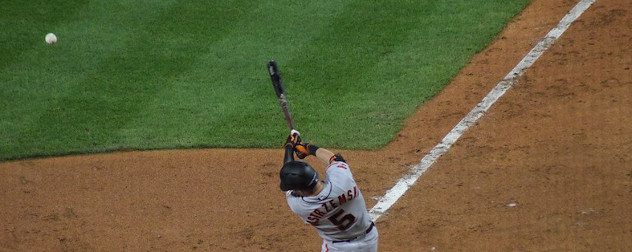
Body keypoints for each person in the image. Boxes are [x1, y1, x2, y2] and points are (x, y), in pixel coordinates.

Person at [280, 130, 378, 252]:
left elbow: (289, 175)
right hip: (369, 240)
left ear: (300, 190)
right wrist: (308, 148)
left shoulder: (300, 207)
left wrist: (289, 148)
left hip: (337, 248)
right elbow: (335, 159)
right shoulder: (343, 181)